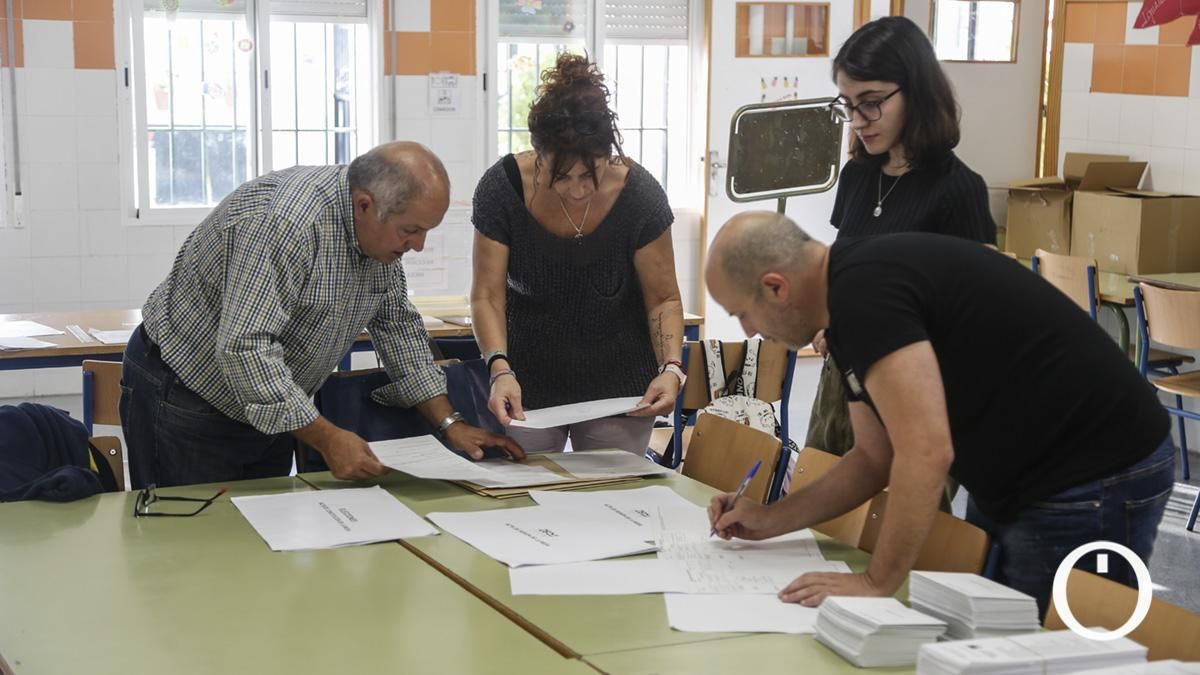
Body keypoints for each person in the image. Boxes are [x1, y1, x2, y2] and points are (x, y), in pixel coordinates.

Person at [705, 212, 1173, 617]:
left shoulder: (866, 296)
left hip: (1093, 472)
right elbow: (875, 457)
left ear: (775, 287)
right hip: (1024, 467)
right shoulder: (845, 300)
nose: (750, 331)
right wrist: (770, 519)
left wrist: (876, 583)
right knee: (996, 634)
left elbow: (925, 452)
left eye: (742, 314)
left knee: (1043, 650)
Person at [120, 142, 524, 489]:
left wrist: (450, 423)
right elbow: (246, 349)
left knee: (259, 542)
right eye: (411, 230)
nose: (418, 246)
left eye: (426, 232)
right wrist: (328, 438)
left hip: (271, 402)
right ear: (365, 205)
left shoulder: (378, 238)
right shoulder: (285, 224)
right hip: (188, 394)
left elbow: (398, 328)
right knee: (190, 545)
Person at [470, 54, 685, 455]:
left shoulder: (639, 196)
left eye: (590, 174)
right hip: (526, 380)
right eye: (560, 176)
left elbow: (664, 299)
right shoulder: (502, 190)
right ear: (538, 155)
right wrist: (499, 367)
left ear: (610, 154)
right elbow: (487, 295)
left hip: (617, 383)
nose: (577, 189)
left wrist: (671, 368)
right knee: (529, 496)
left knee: (611, 501)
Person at [807, 16, 997, 459]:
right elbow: (844, 267)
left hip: (914, 390)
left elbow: (976, 316)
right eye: (848, 105)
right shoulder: (858, 174)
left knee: (899, 516)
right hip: (844, 377)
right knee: (825, 506)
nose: (857, 120)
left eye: (871, 103)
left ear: (917, 92)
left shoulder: (958, 188)